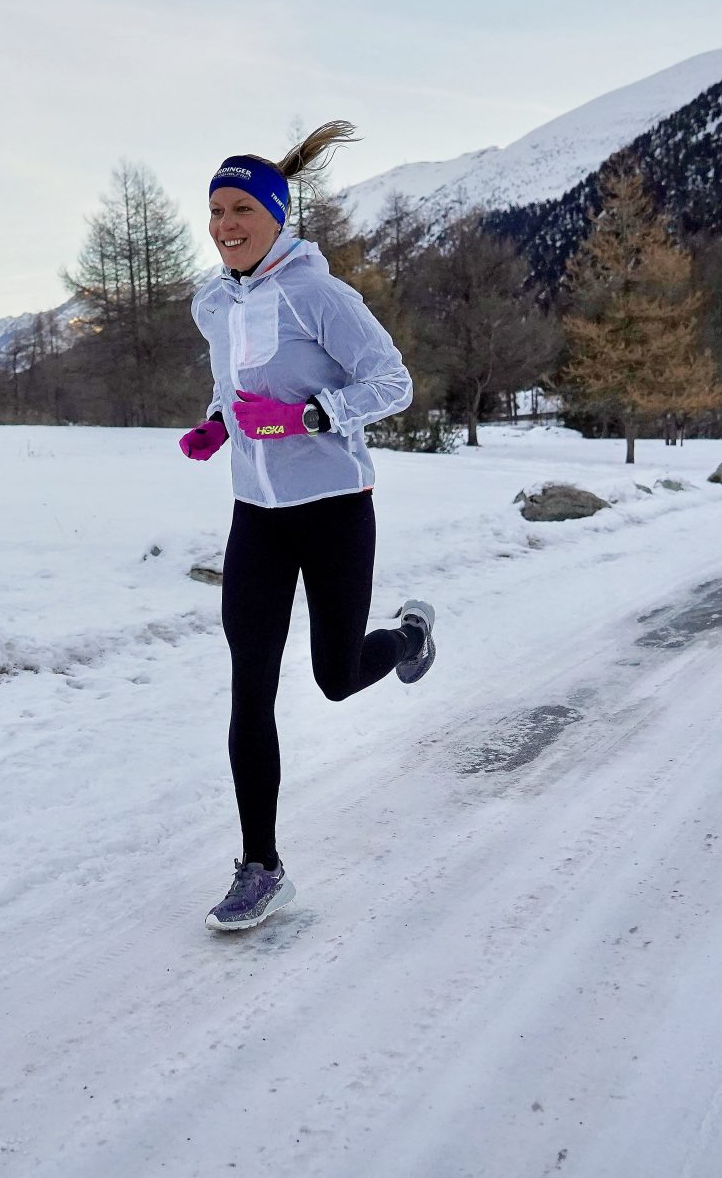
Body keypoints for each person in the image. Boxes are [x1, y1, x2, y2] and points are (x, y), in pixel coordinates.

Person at [179, 121, 436, 932]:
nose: (224, 225)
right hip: (255, 515)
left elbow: (392, 381)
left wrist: (311, 417)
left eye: (240, 209)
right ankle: (262, 866)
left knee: (331, 675)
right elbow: (238, 385)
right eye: (215, 210)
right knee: (249, 687)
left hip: (332, 510)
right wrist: (218, 423)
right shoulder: (211, 302)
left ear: (276, 214)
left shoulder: (321, 294)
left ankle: (407, 641)